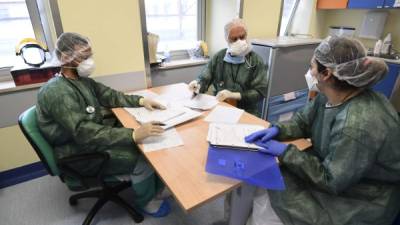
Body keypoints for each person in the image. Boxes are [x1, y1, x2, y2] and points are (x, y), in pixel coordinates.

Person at [245, 36, 400, 225]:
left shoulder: (357, 124)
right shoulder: (330, 94)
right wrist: (278, 129)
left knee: (280, 188)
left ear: (326, 73)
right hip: (338, 169)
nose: (309, 72)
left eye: (311, 67)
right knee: (275, 175)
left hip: (365, 197)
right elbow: (303, 121)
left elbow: (331, 180)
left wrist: (286, 152)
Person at [36, 32, 170, 217]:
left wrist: (141, 101)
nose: (89, 60)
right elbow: (83, 132)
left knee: (147, 145)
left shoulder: (81, 81)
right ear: (65, 57)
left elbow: (110, 95)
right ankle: (147, 202)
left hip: (90, 141)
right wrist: (131, 134)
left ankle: (153, 188)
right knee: (142, 158)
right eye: (84, 56)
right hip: (78, 152)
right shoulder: (57, 92)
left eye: (90, 54)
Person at [188, 18, 268, 117]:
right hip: (221, 108)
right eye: (234, 39)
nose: (239, 41)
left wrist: (235, 95)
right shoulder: (219, 57)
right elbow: (205, 77)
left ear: (246, 36)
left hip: (247, 112)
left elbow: (260, 92)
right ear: (227, 39)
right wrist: (197, 84)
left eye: (242, 37)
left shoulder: (255, 60)